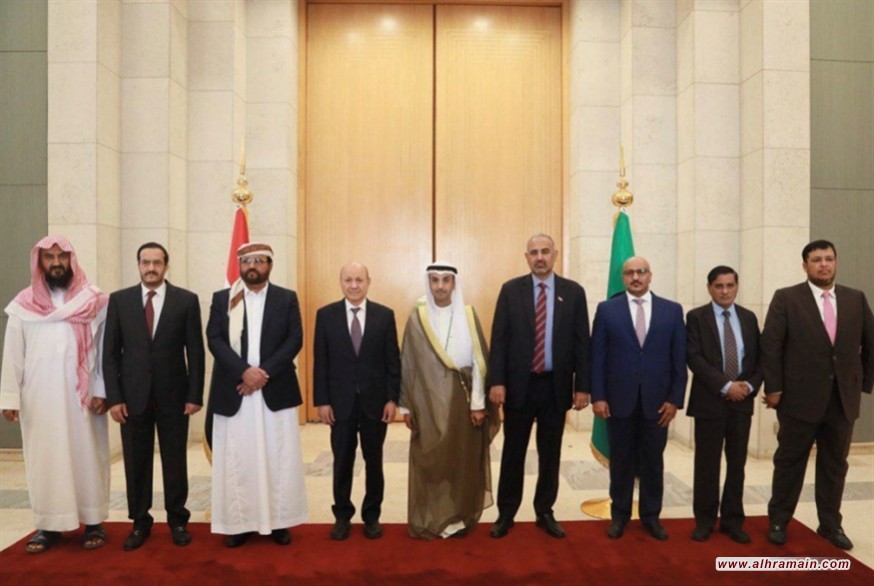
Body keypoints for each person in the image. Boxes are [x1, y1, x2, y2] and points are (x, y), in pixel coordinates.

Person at [762, 239, 874, 551]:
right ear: (805, 266)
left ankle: (830, 524)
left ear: (836, 262)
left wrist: (862, 384)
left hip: (842, 400)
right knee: (789, 462)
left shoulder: (855, 299)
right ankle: (779, 520)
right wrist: (774, 388)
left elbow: (871, 343)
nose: (823, 264)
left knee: (835, 465)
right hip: (798, 400)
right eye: (816, 260)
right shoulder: (787, 298)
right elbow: (771, 345)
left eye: (828, 259)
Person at [0, 236, 110, 553]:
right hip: (40, 399)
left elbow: (105, 350)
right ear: (40, 262)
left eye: (62, 256)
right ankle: (49, 525)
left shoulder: (93, 301)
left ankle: (93, 522)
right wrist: (9, 397)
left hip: (83, 399)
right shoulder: (23, 305)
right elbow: (13, 354)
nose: (57, 263)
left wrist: (102, 390)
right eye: (50, 257)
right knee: (46, 461)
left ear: (71, 260)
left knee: (87, 456)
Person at [488, 234, 591, 539]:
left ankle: (544, 511)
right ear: (526, 257)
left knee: (550, 453)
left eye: (545, 251)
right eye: (534, 252)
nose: (540, 257)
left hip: (555, 387)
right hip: (519, 386)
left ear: (555, 254)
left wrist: (582, 386)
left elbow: (582, 343)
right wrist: (497, 381)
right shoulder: (510, 290)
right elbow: (499, 339)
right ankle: (506, 513)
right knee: (513, 452)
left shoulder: (573, 292)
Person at [103, 242, 205, 550]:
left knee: (175, 460)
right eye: (145, 262)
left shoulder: (186, 301)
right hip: (132, 397)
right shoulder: (119, 301)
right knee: (136, 461)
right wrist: (114, 398)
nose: (151, 268)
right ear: (138, 265)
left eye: (156, 262)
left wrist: (194, 394)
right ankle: (139, 522)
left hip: (174, 396)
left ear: (166, 266)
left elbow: (196, 352)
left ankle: (178, 520)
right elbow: (110, 354)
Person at [206, 242, 308, 548]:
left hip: (274, 390)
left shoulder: (286, 298)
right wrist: (244, 372)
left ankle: (279, 521)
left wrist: (262, 373)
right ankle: (239, 523)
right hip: (235, 390)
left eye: (259, 260)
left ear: (269, 265)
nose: (252, 266)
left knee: (278, 458)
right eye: (246, 261)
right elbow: (214, 338)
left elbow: (295, 339)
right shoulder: (223, 298)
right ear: (239, 265)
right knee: (239, 459)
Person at [399, 262, 500, 539]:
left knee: (460, 459)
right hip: (427, 401)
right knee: (431, 460)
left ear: (454, 283)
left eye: (446, 280)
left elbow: (479, 362)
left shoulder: (468, 314)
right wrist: (407, 406)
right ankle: (433, 516)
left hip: (462, 401)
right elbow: (408, 363)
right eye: (435, 280)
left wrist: (478, 404)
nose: (440, 286)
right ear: (429, 283)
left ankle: (458, 516)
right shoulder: (417, 316)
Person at [591, 256, 687, 541]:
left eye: (641, 272)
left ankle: (651, 517)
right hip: (618, 401)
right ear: (623, 277)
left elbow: (679, 359)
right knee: (620, 462)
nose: (635, 277)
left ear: (650, 275)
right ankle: (619, 515)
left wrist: (675, 399)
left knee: (653, 463)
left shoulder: (671, 311)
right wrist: (599, 396)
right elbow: (597, 357)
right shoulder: (607, 310)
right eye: (630, 273)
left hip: (658, 404)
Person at [313, 262, 400, 541]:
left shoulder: (384, 316)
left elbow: (393, 362)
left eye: (359, 280)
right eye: (348, 280)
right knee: (342, 461)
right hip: (339, 405)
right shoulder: (325, 315)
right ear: (341, 282)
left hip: (376, 404)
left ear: (368, 282)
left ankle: (372, 516)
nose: (353, 285)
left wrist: (392, 399)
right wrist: (322, 401)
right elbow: (320, 361)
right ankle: (342, 516)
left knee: (374, 462)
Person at [686, 266, 762, 544]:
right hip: (709, 402)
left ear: (737, 286)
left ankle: (733, 521)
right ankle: (704, 521)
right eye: (719, 286)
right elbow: (694, 358)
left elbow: (759, 358)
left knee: (737, 463)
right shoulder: (696, 318)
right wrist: (726, 385)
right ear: (709, 288)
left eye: (730, 285)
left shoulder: (749, 317)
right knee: (707, 464)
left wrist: (748, 386)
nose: (725, 291)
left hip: (742, 403)